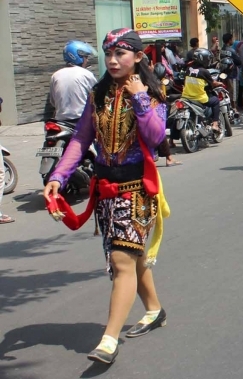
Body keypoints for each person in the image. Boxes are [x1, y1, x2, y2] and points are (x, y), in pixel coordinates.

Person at [43, 28, 169, 364]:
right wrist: (58, 175)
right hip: (106, 190)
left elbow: (155, 138)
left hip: (137, 191)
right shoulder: (97, 95)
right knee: (132, 256)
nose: (113, 61)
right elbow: (81, 139)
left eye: (121, 54)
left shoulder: (152, 92)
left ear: (139, 58)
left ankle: (108, 340)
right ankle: (154, 310)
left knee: (121, 260)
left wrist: (141, 97)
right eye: (108, 54)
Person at [50, 40, 98, 123]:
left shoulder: (55, 75)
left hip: (60, 121)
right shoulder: (86, 74)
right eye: (85, 57)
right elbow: (97, 97)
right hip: (82, 120)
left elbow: (53, 102)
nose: (87, 60)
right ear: (77, 57)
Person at [182, 48, 224, 133]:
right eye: (208, 59)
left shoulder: (188, 69)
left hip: (186, 97)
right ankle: (215, 124)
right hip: (199, 98)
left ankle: (171, 140)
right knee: (216, 101)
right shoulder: (204, 72)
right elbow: (213, 84)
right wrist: (220, 83)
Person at [222, 33, 242, 111]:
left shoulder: (222, 50)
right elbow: (239, 61)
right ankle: (233, 108)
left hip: (223, 74)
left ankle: (227, 108)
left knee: (225, 91)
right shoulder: (231, 50)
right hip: (232, 74)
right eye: (232, 39)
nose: (233, 40)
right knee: (233, 92)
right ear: (229, 40)